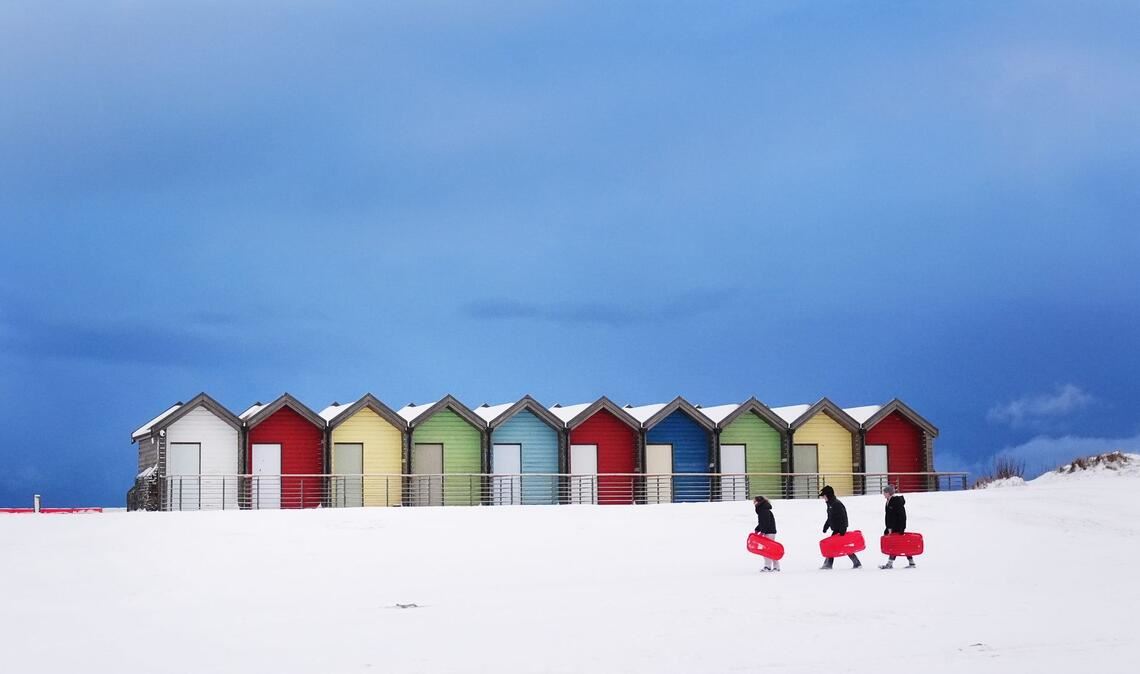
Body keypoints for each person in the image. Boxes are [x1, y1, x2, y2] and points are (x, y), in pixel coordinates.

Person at [819, 485, 861, 569]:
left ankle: (828, 564)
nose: (823, 498)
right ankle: (856, 563)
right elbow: (830, 517)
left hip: (840, 529)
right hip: (836, 528)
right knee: (843, 545)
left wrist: (843, 529)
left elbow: (843, 517)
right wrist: (826, 526)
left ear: (828, 495)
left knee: (831, 545)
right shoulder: (830, 504)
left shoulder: (836, 504)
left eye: (824, 496)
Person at [880, 484, 916, 569]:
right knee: (899, 544)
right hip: (891, 527)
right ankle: (911, 562)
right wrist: (888, 527)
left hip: (896, 527)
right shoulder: (888, 501)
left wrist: (901, 528)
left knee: (895, 544)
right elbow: (889, 516)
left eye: (884, 492)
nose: (883, 494)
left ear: (888, 493)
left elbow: (902, 516)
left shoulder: (896, 501)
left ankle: (890, 563)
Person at [753, 496, 780, 572]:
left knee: (767, 550)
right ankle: (775, 566)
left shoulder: (764, 510)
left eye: (755, 501)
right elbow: (762, 523)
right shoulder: (762, 510)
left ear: (759, 502)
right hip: (768, 531)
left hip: (769, 532)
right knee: (770, 550)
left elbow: (766, 523)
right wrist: (757, 529)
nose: (754, 503)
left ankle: (768, 566)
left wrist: (763, 531)